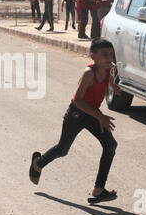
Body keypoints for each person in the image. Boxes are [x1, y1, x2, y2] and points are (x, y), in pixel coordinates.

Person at [29, 38, 121, 204]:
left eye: (111, 54)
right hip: (77, 114)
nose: (109, 58)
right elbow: (78, 100)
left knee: (110, 145)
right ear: (93, 56)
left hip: (92, 114)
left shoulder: (109, 69)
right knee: (63, 150)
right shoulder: (89, 73)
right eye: (105, 54)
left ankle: (99, 189)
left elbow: (109, 81)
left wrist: (115, 87)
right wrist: (100, 116)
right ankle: (38, 163)